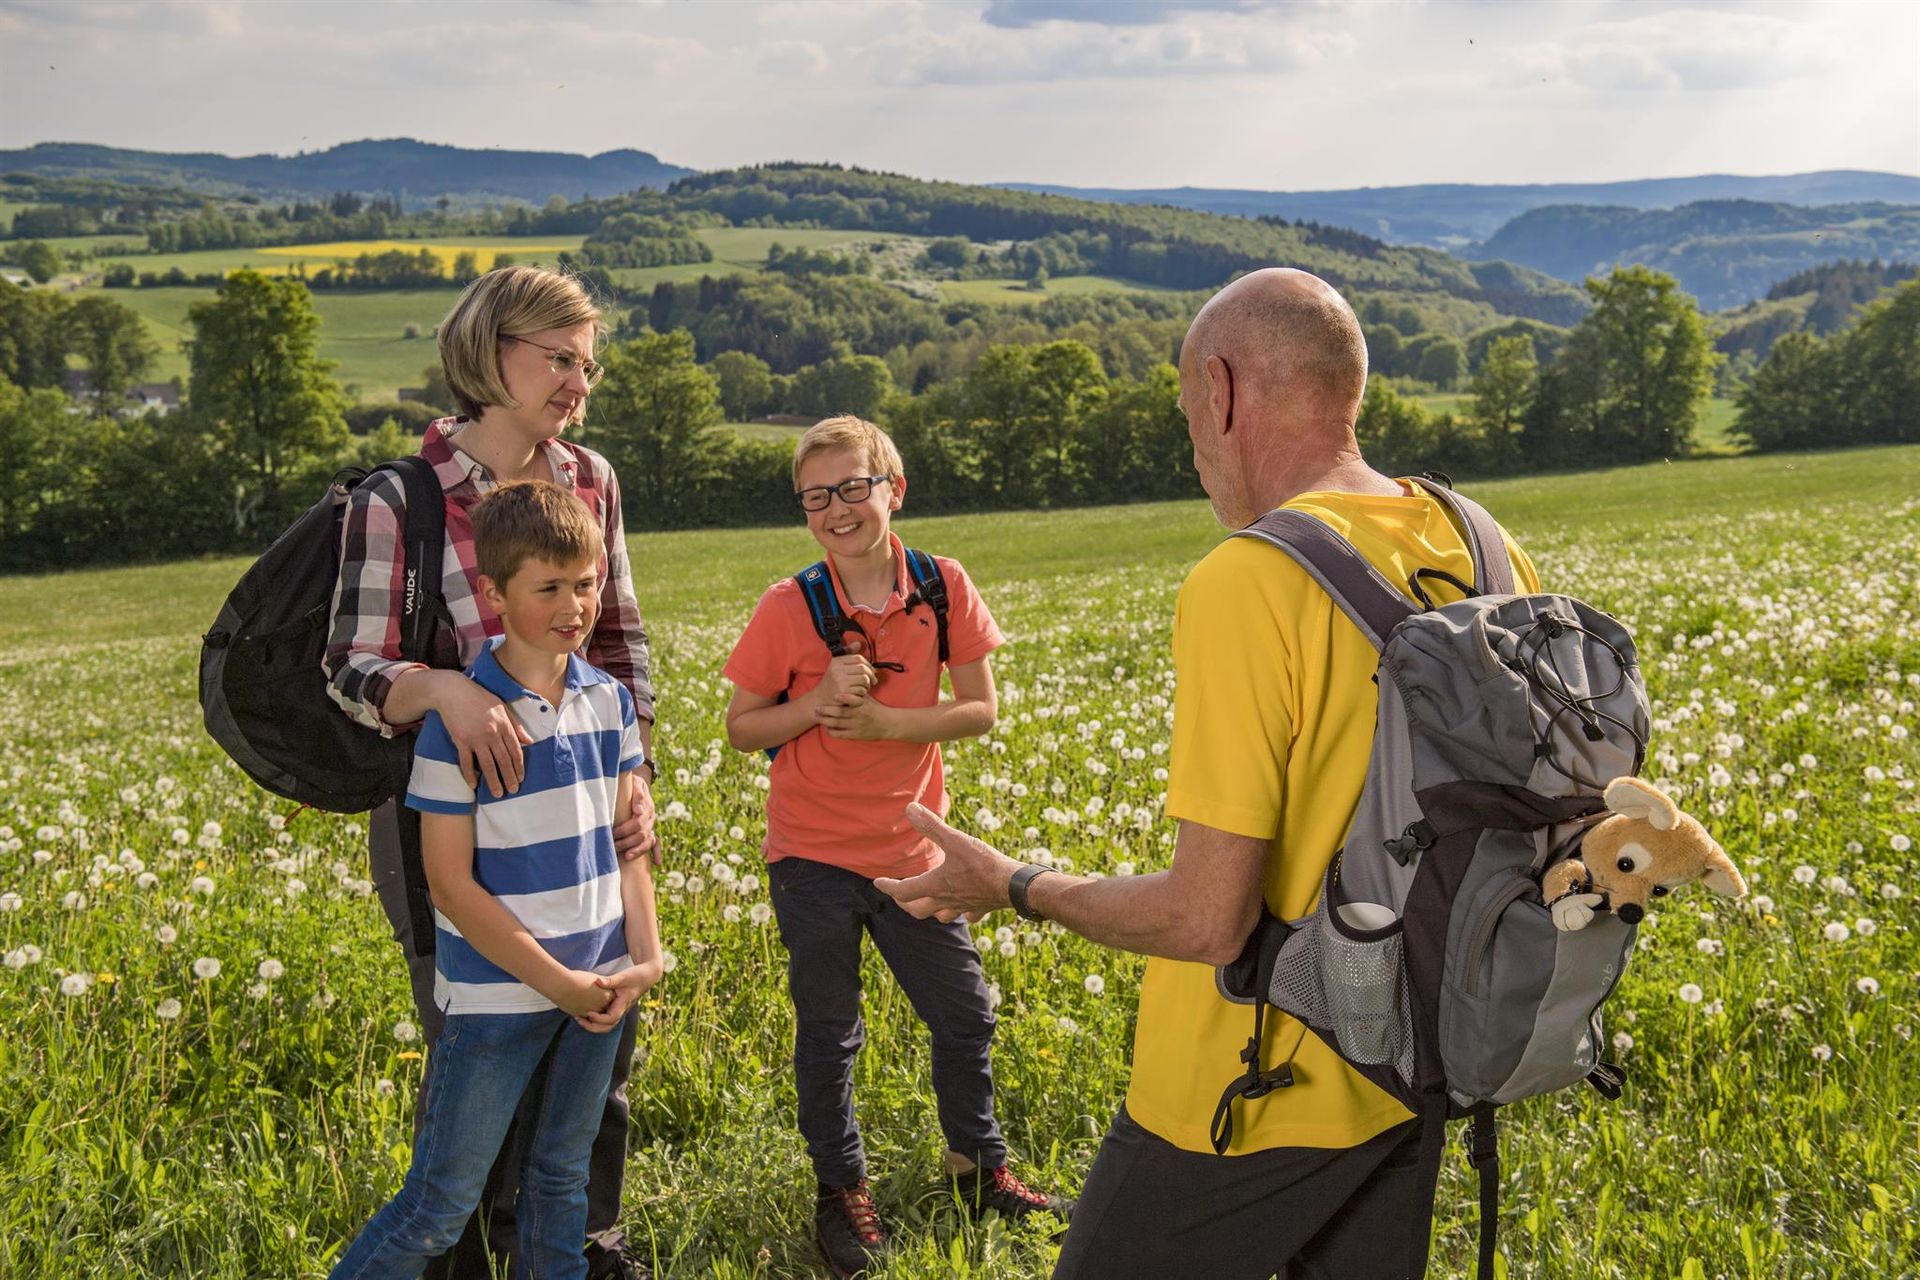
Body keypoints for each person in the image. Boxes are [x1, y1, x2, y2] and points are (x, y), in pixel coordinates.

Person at [876, 268, 1542, 1280]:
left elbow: (1206, 920)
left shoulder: (1248, 578)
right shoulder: (1482, 541)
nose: (1194, 450)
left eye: (1191, 411)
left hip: (1249, 1084)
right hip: (1417, 1056)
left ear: (1222, 391)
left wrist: (1013, 883)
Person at [324, 266, 658, 1279]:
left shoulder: (590, 477)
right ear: (489, 350)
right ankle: (458, 1258)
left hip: (584, 801)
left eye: (587, 362)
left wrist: (634, 765)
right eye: (558, 356)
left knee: (592, 1065)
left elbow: (620, 636)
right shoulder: (403, 497)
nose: (577, 380)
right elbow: (349, 665)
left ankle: (577, 1250)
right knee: (477, 1041)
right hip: (453, 822)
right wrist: (448, 692)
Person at [721, 415, 1074, 1278]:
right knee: (830, 1031)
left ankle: (977, 1169)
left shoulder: (943, 585)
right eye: (817, 497)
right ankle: (841, 1193)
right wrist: (813, 705)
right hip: (809, 853)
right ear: (804, 510)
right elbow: (741, 727)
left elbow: (981, 709)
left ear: (893, 489)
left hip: (914, 850)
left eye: (853, 488)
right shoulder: (788, 604)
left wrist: (884, 722)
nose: (837, 509)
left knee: (965, 1012)